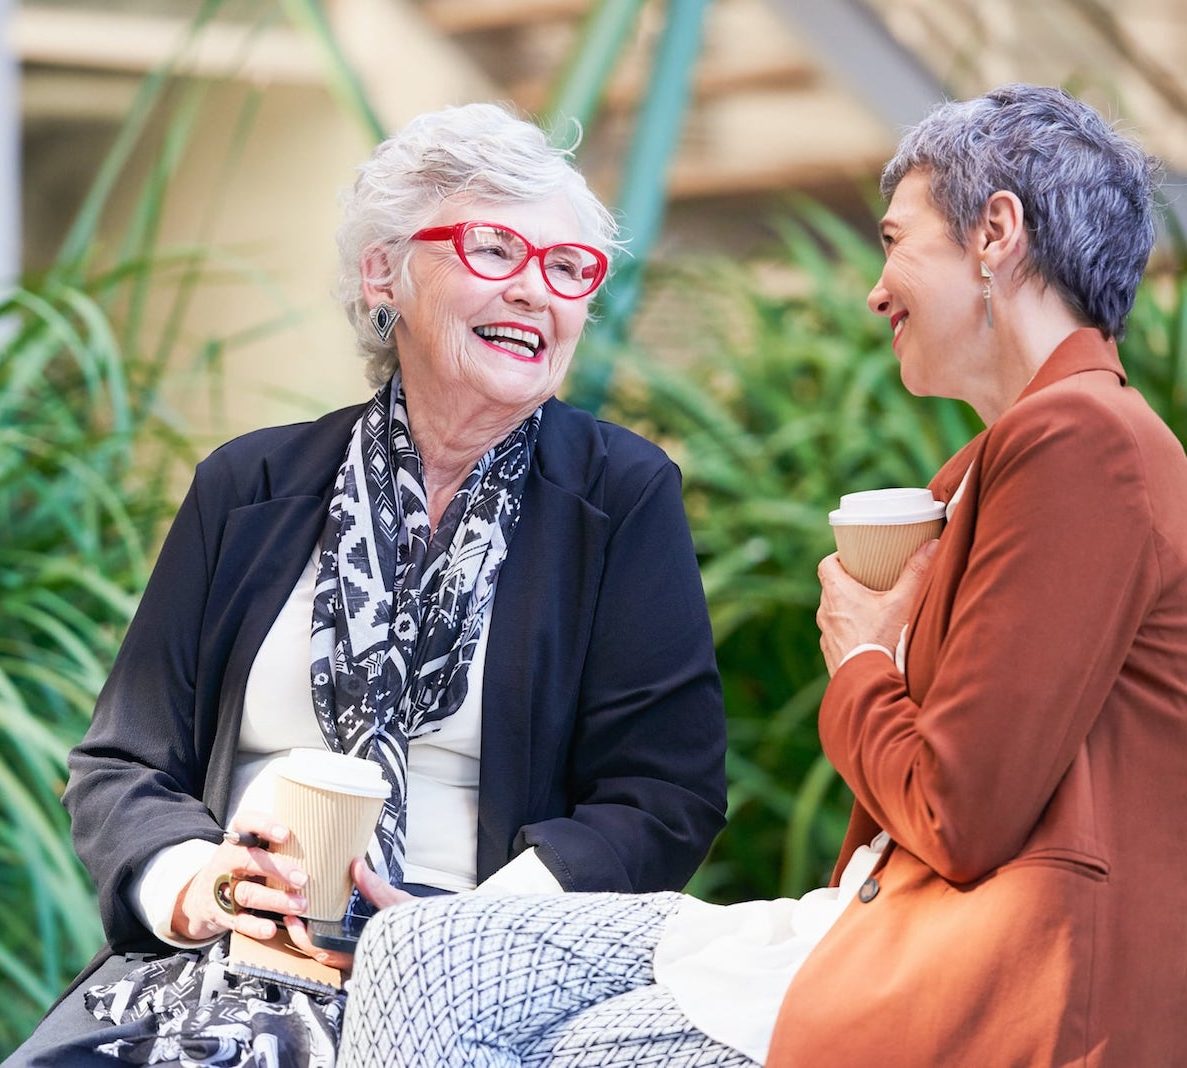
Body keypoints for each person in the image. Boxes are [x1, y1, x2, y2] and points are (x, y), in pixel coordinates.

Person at [333, 84, 1187, 1068]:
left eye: (893, 238)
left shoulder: (1083, 440)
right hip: (876, 932)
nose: (875, 290)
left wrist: (863, 662)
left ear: (995, 231)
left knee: (574, 1046)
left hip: (992, 974)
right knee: (422, 949)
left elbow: (961, 812)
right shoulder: (1039, 449)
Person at [7, 102, 727, 1067]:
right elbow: (122, 764)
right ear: (383, 271)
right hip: (225, 963)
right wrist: (206, 882)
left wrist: (460, 935)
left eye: (566, 269)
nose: (535, 293)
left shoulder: (620, 496)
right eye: (493, 249)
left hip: (479, 965)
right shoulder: (248, 485)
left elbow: (663, 794)